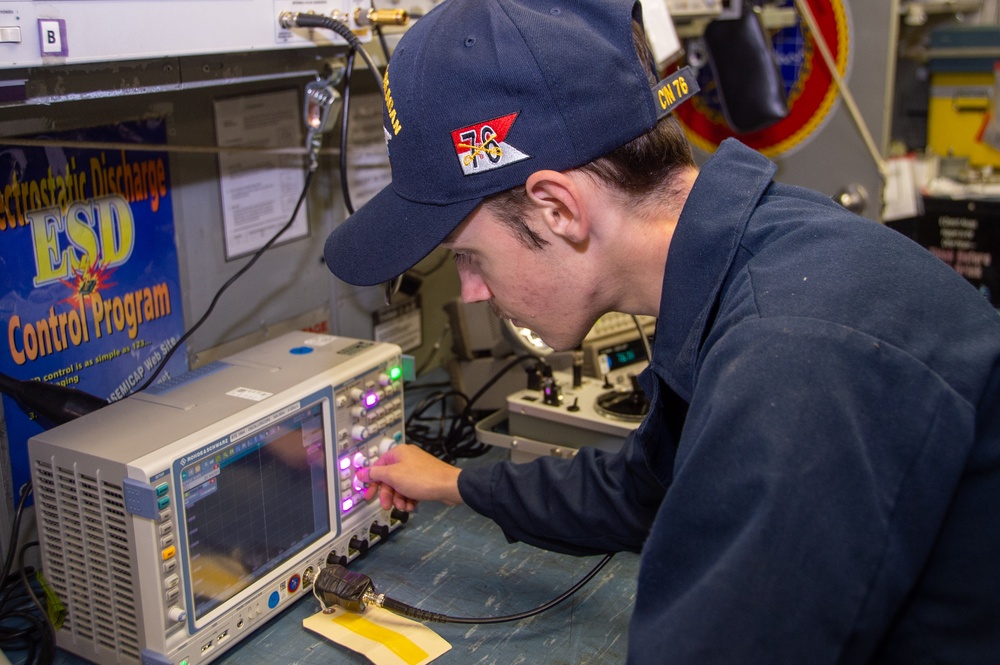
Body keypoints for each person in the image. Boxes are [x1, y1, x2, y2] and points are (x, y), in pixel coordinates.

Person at [323, 0, 1000, 662]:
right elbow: (643, 487)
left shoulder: (791, 357)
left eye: (468, 257)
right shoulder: (761, 251)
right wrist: (454, 483)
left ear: (558, 208)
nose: (473, 291)